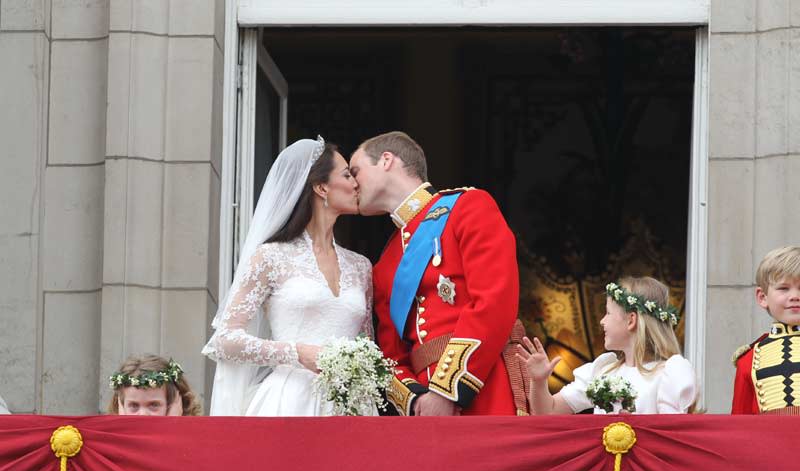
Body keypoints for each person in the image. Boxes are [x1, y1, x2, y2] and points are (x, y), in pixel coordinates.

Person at [350, 131, 520, 416]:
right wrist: (416, 400)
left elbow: (494, 302)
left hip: (484, 389)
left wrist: (447, 390)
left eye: (356, 171)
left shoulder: (468, 207)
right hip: (424, 409)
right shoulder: (385, 263)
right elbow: (391, 356)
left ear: (386, 161)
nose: (352, 184)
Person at [202, 137, 373, 416]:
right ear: (321, 187)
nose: (356, 183)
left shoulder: (361, 267)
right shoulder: (271, 257)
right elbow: (225, 340)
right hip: (289, 402)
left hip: (350, 406)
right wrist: (296, 352)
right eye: (346, 175)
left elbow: (367, 344)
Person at [518, 276, 697, 414]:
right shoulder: (603, 371)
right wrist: (539, 381)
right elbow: (549, 412)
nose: (602, 321)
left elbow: (671, 435)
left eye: (608, 313)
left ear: (631, 321)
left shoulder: (669, 373)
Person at [732, 246, 800, 414]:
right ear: (763, 298)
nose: (795, 296)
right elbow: (740, 424)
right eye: (783, 288)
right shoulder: (748, 359)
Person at [107, 354, 202, 416]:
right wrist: (121, 425)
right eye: (134, 405)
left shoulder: (195, 440)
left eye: (154, 405)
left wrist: (173, 424)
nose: (143, 414)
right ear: (121, 406)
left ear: (174, 404)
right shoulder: (104, 443)